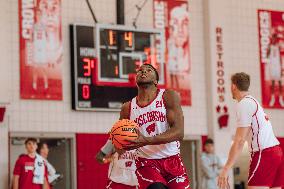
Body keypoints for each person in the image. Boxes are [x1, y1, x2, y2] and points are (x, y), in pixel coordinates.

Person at [122, 64, 190, 189]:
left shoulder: (168, 96)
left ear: (155, 81)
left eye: (149, 70)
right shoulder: (127, 107)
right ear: (136, 80)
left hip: (172, 159)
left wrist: (146, 140)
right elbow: (120, 138)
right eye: (140, 70)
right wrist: (119, 146)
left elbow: (179, 132)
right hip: (146, 162)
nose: (143, 72)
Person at [218, 72, 284, 189]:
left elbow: (239, 141)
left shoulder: (244, 104)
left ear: (233, 86)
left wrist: (226, 168)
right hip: (277, 153)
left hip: (264, 154)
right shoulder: (253, 101)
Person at [167, 3, 190, 89]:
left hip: (175, 63)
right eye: (176, 23)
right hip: (172, 63)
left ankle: (176, 88)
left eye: (184, 23)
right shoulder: (170, 42)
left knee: (175, 77)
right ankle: (174, 88)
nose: (180, 29)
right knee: (173, 76)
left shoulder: (178, 48)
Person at [267, 33, 284, 107]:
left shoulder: (279, 46)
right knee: (273, 83)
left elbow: (280, 57)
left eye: (275, 38)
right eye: (273, 38)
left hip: (278, 67)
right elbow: (267, 55)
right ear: (272, 38)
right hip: (272, 67)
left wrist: (282, 68)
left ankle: (281, 99)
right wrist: (268, 47)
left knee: (280, 84)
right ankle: (272, 98)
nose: (274, 39)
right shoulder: (270, 46)